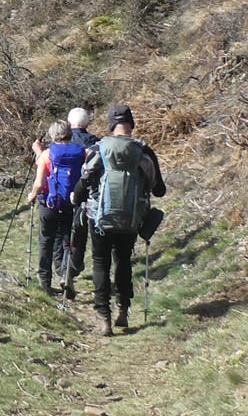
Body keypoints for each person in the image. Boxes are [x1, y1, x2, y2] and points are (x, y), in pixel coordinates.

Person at [72, 104, 167, 336]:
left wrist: (77, 196)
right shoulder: (143, 152)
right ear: (131, 125)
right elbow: (159, 191)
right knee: (123, 260)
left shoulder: (99, 149)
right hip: (131, 218)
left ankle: (103, 317)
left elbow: (85, 181)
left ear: (111, 125)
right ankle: (122, 308)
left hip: (99, 218)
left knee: (100, 263)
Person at [27, 120, 85, 293]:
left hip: (49, 204)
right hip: (71, 204)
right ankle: (65, 275)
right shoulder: (81, 153)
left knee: (46, 240)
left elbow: (39, 183)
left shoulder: (47, 154)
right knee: (68, 242)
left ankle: (45, 280)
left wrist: (31, 196)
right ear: (70, 134)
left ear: (53, 135)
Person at [65, 106, 100, 298]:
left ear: (70, 123)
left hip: (69, 195)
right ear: (86, 124)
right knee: (91, 235)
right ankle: (94, 272)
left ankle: (71, 268)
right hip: (93, 197)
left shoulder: (65, 142)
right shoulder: (96, 143)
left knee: (73, 233)